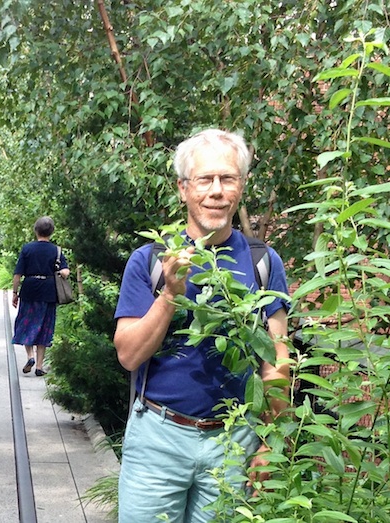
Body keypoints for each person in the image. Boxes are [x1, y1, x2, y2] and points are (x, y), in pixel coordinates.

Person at [113, 129, 290, 522]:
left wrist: (272, 440)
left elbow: (277, 358)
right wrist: (170, 294)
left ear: (240, 186)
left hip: (234, 441)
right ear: (183, 188)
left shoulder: (264, 262)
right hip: (158, 439)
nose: (216, 190)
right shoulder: (151, 259)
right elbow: (128, 354)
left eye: (227, 178)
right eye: (205, 179)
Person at [11, 216, 69, 377]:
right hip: (48, 291)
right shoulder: (56, 250)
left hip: (29, 289)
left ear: (35, 230)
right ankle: (39, 366)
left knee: (26, 322)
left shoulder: (27, 249)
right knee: (45, 326)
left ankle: (30, 356)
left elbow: (17, 274)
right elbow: (65, 271)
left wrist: (15, 293)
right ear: (52, 232)